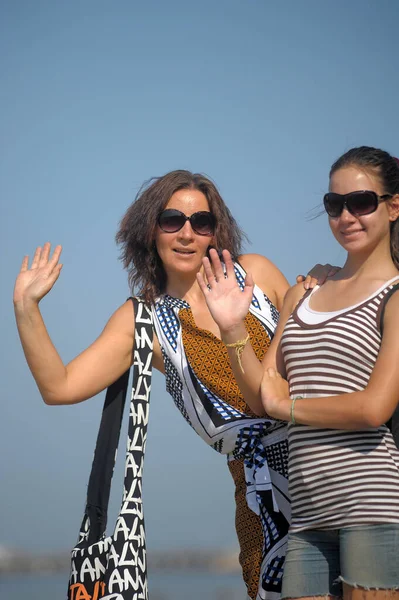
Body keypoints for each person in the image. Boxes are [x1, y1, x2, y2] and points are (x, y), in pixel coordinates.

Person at [13, 170, 333, 600]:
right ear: (151, 229)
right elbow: (59, 387)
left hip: (331, 463)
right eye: (171, 220)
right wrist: (26, 307)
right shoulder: (143, 321)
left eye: (200, 222)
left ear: (214, 232)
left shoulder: (255, 275)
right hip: (262, 505)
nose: (186, 234)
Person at [200, 148, 399, 599]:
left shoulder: (395, 296)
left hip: (373, 503)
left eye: (362, 202)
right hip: (306, 515)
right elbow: (259, 396)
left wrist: (289, 407)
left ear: (393, 206)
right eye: (334, 205)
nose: (346, 215)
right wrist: (233, 326)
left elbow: (374, 407)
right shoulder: (304, 293)